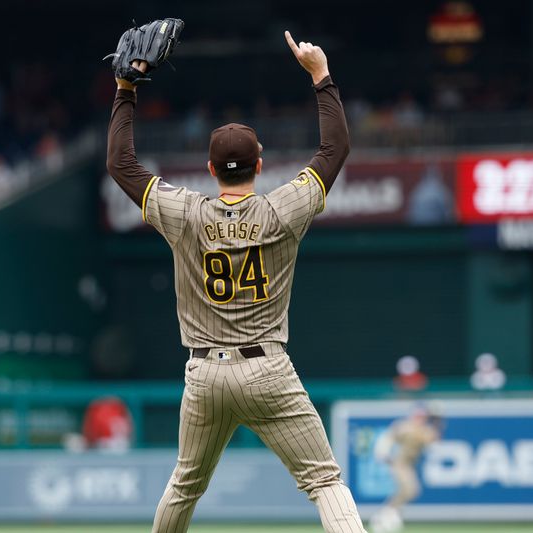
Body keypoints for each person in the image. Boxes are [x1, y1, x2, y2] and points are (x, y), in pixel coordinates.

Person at [106, 31, 365, 532]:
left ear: (209, 169)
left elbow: (121, 164)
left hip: (204, 373)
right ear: (259, 165)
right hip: (268, 368)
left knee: (184, 485)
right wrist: (320, 77)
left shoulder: (185, 214)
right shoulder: (281, 210)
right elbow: (335, 149)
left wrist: (125, 88)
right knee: (325, 482)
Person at [371, 404, 443, 532]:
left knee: (412, 491)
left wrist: (438, 422)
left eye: (423, 416)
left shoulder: (423, 430)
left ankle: (389, 512)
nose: (421, 418)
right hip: (399, 463)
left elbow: (434, 440)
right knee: (409, 489)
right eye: (419, 416)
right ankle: (387, 514)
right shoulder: (405, 426)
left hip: (409, 465)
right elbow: (388, 437)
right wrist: (382, 453)